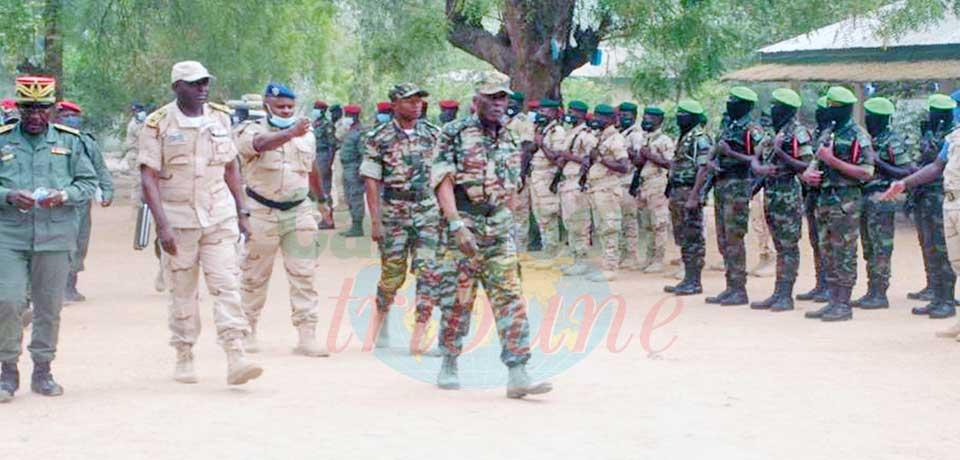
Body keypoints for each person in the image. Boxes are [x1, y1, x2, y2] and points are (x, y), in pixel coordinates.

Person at [138, 61, 263, 385]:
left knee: (227, 285)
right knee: (183, 292)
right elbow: (148, 177)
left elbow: (231, 167)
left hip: (218, 216)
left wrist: (242, 211)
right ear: (176, 87)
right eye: (194, 84)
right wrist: (162, 226)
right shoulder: (158, 124)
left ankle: (236, 354)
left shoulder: (220, 117)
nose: (202, 88)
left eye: (205, 82)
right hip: (179, 221)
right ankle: (184, 353)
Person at [432, 72, 552, 399]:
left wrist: (506, 219)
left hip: (498, 227)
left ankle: (518, 372)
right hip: (464, 222)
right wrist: (455, 224)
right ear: (477, 101)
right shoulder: (454, 133)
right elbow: (442, 179)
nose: (499, 104)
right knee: (457, 300)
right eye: (492, 98)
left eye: (503, 98)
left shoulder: (512, 138)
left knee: (510, 298)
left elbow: (512, 185)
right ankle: (449, 361)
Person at [0, 75, 98, 402]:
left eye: (42, 108)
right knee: (8, 301)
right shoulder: (2, 140)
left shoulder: (71, 142)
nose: (34, 115)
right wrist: (8, 195)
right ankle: (7, 370)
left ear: (54, 109)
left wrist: (63, 195)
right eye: (28, 107)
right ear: (17, 106)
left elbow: (87, 184)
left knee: (48, 307)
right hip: (9, 235)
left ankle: (43, 370)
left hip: (56, 235)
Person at [235, 83, 328, 357]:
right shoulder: (250, 130)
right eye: (280, 107)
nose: (286, 111)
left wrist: (322, 199)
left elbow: (311, 168)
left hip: (298, 212)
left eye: (289, 106)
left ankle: (307, 335)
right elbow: (258, 145)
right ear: (267, 105)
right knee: (254, 275)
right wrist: (290, 133)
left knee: (304, 274)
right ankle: (248, 330)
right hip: (262, 212)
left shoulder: (306, 134)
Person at [360, 83, 443, 355]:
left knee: (429, 272)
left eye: (419, 101)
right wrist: (375, 220)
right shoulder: (378, 137)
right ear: (394, 104)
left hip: (427, 210)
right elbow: (371, 179)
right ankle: (380, 326)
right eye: (409, 101)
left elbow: (444, 175)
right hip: (394, 210)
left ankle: (418, 337)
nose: (416, 105)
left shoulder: (433, 135)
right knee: (392, 275)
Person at [801, 86, 875, 322]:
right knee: (827, 250)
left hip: (846, 201)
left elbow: (867, 172)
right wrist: (808, 174)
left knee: (844, 251)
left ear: (845, 109)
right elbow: (815, 160)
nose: (830, 111)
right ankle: (832, 300)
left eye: (835, 107)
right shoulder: (828, 132)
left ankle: (843, 304)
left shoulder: (858, 135)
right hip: (823, 198)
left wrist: (833, 161)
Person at [883, 124, 960, 337]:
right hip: (951, 202)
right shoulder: (955, 136)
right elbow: (937, 167)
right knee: (957, 264)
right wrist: (905, 183)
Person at [692, 87, 764, 306]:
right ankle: (730, 286)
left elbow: (757, 159)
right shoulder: (727, 126)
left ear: (746, 105)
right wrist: (713, 163)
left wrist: (731, 153)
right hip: (722, 185)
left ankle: (739, 289)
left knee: (734, 238)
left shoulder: (753, 130)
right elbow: (716, 152)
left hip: (739, 186)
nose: (730, 104)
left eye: (736, 101)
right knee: (723, 239)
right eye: (730, 100)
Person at [747, 89, 811, 312]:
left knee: (788, 247)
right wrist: (760, 167)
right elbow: (755, 158)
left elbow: (806, 165)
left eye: (777, 106)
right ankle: (778, 292)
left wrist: (780, 152)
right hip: (771, 194)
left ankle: (786, 294)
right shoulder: (773, 133)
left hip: (788, 195)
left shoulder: (797, 133)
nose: (772, 109)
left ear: (787, 110)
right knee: (778, 245)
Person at [852, 97, 912, 310]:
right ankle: (871, 290)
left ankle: (880, 293)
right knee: (869, 247)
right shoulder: (870, 140)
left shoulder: (892, 140)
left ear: (879, 119)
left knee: (881, 248)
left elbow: (906, 171)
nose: (867, 120)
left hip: (882, 199)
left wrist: (878, 162)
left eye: (871, 117)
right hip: (865, 198)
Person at [53, 101, 114, 303]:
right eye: (64, 116)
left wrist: (107, 190)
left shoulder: (86, 141)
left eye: (73, 116)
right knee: (57, 243)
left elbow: (100, 167)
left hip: (80, 201)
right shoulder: (49, 138)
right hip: (54, 202)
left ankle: (70, 286)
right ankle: (54, 289)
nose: (70, 120)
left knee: (80, 242)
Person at [905, 94, 957, 318]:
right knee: (931, 248)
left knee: (945, 250)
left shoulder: (949, 134)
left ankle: (946, 300)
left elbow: (936, 167)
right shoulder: (949, 137)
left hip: (942, 197)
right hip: (928, 197)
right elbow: (932, 164)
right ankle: (937, 297)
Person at [664, 99, 712, 295]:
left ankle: (694, 280)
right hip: (678, 192)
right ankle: (687, 278)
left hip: (689, 191)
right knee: (683, 235)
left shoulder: (700, 137)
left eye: (682, 115)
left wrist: (694, 196)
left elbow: (704, 168)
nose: (678, 118)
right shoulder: (685, 137)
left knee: (693, 236)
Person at [630, 106, 675, 274]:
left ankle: (658, 259)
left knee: (659, 224)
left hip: (658, 184)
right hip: (643, 184)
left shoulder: (664, 140)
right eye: (645, 117)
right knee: (646, 224)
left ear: (659, 121)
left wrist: (650, 155)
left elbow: (671, 164)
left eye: (651, 118)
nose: (646, 121)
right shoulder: (643, 138)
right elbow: (639, 162)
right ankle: (648, 257)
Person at [796, 96, 832, 303]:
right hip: (812, 194)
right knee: (816, 241)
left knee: (828, 242)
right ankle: (821, 283)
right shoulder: (818, 133)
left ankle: (830, 286)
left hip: (827, 194)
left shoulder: (833, 135)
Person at [556, 100, 593, 276]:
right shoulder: (571, 132)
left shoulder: (586, 135)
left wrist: (568, 156)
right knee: (569, 223)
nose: (569, 114)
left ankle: (582, 261)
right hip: (567, 181)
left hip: (577, 182)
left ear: (582, 114)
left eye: (573, 111)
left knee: (579, 223)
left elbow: (589, 160)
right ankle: (575, 259)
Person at [529, 98, 566, 266]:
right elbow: (531, 150)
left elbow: (556, 158)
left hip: (547, 177)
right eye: (540, 111)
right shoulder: (541, 129)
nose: (541, 114)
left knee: (548, 214)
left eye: (546, 111)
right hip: (536, 176)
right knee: (539, 214)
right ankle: (546, 250)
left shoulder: (557, 131)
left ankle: (552, 252)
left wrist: (541, 144)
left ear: (555, 113)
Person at [506, 91, 535, 256]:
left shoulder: (523, 122)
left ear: (520, 104)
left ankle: (521, 249)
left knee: (520, 211)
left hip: (518, 171)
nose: (510, 105)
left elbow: (526, 149)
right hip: (506, 172)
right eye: (508, 102)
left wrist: (521, 175)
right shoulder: (504, 120)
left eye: (514, 103)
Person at [338, 104, 366, 237]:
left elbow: (362, 153)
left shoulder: (359, 132)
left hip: (354, 168)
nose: (346, 118)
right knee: (349, 196)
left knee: (355, 197)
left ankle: (357, 226)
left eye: (349, 116)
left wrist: (360, 171)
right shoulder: (349, 130)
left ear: (355, 117)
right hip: (346, 167)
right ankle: (353, 225)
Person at [312, 100, 336, 229]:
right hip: (314, 155)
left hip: (323, 156)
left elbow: (332, 145)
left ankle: (328, 220)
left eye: (316, 108)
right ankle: (321, 218)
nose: (314, 110)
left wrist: (329, 163)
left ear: (322, 111)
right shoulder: (314, 124)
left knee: (325, 188)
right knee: (316, 189)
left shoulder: (327, 125)